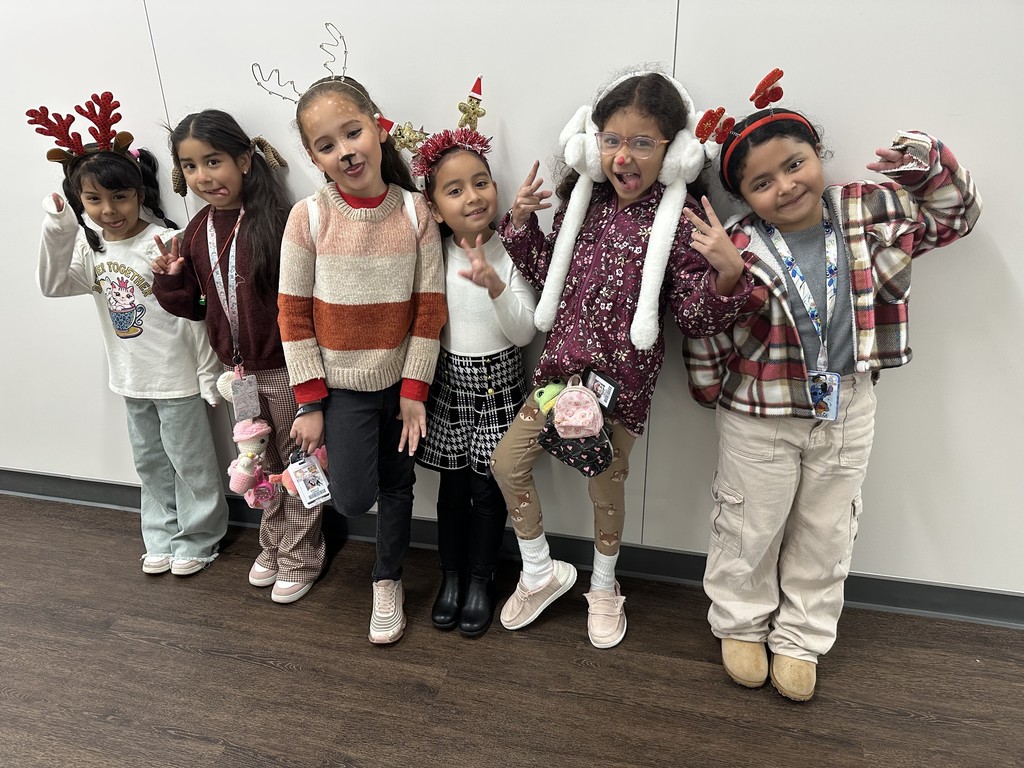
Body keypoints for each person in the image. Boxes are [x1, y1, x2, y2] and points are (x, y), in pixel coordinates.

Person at [682, 93, 981, 700]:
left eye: (795, 164)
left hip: (848, 405)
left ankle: (802, 638)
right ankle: (740, 623)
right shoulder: (735, 243)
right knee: (748, 524)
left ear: (818, 155)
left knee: (828, 530)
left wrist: (926, 163)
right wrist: (710, 382)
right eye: (762, 182)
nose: (786, 187)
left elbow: (955, 218)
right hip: (759, 413)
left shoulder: (869, 211)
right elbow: (706, 328)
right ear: (743, 196)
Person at [491, 70, 753, 649]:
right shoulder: (583, 205)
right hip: (559, 377)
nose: (623, 156)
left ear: (676, 151)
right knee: (506, 463)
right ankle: (540, 571)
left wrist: (727, 274)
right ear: (591, 143)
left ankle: (605, 587)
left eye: (641, 142)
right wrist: (518, 224)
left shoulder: (682, 222)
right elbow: (547, 278)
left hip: (621, 387)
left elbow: (690, 316)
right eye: (611, 140)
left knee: (606, 489)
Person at [29, 92, 227, 576]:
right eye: (92, 199)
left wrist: (207, 373)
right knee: (151, 466)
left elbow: (194, 312)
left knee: (192, 466)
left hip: (176, 378)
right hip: (129, 378)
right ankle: (159, 535)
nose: (108, 210)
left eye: (119, 196)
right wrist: (59, 226)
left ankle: (200, 538)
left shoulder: (164, 239)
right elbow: (53, 286)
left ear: (141, 192)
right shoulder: (88, 248)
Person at [279, 75, 447, 644]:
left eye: (353, 132)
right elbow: (293, 315)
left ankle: (387, 580)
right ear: (313, 157)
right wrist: (310, 401)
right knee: (352, 497)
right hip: (341, 389)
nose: (345, 150)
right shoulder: (310, 217)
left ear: (378, 125)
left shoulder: (416, 214)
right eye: (327, 145)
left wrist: (414, 390)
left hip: (402, 386)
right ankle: (339, 482)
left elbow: (429, 311)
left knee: (400, 485)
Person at [150, 110, 326, 605]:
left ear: (245, 160)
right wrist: (170, 278)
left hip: (288, 371)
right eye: (189, 167)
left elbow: (303, 304)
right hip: (239, 376)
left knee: (298, 464)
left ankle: (301, 554)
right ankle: (273, 544)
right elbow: (198, 307)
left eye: (214, 161)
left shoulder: (280, 220)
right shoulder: (197, 229)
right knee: (259, 464)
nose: (203, 177)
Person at [412, 127, 537, 637]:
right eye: (455, 189)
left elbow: (526, 329)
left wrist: (495, 287)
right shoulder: (433, 254)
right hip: (448, 386)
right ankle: (451, 577)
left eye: (480, 182)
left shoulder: (514, 249)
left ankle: (482, 580)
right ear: (436, 208)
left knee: (489, 491)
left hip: (501, 386)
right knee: (451, 490)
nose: (472, 196)